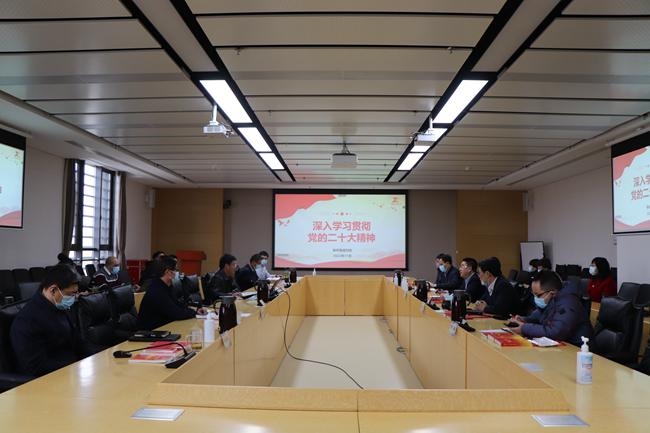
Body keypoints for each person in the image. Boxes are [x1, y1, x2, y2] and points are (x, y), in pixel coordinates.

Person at [10, 264, 95, 377]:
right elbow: (35, 367)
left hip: (72, 372)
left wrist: (95, 360)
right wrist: (77, 367)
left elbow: (78, 342)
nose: (72, 298)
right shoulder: (28, 319)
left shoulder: (60, 306)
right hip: (53, 378)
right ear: (53, 290)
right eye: (70, 294)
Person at [509, 271, 594, 347]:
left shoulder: (568, 303)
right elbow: (537, 317)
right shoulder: (550, 300)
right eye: (534, 294)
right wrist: (523, 320)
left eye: (538, 295)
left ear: (552, 293)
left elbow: (557, 332)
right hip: (561, 346)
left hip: (579, 350)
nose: (535, 298)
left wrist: (524, 328)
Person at [136, 256, 207, 331]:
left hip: (162, 328)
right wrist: (193, 311)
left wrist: (196, 308)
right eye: (176, 269)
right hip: (149, 332)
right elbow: (176, 313)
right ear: (168, 272)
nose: (177, 272)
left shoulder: (165, 286)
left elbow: (178, 303)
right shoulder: (156, 290)